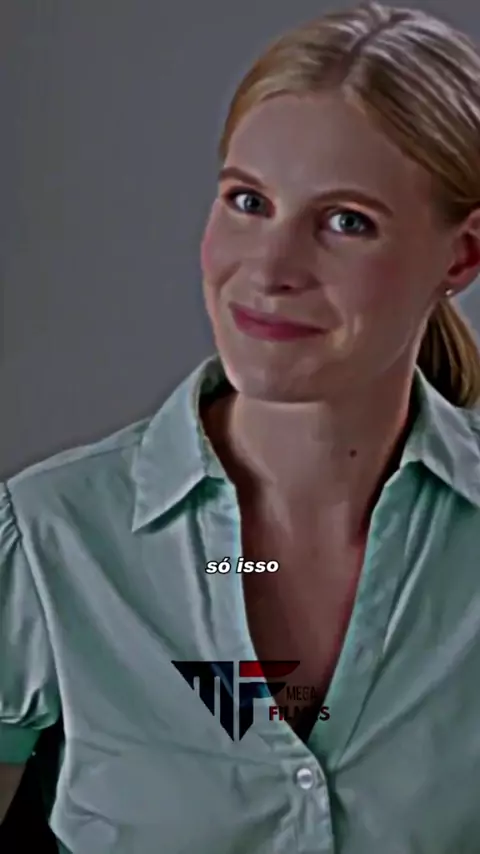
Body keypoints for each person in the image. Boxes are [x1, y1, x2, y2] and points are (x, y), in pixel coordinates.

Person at [2, 1, 480, 851]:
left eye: (346, 222)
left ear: (463, 256)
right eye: (248, 201)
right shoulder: (47, 540)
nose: (270, 268)